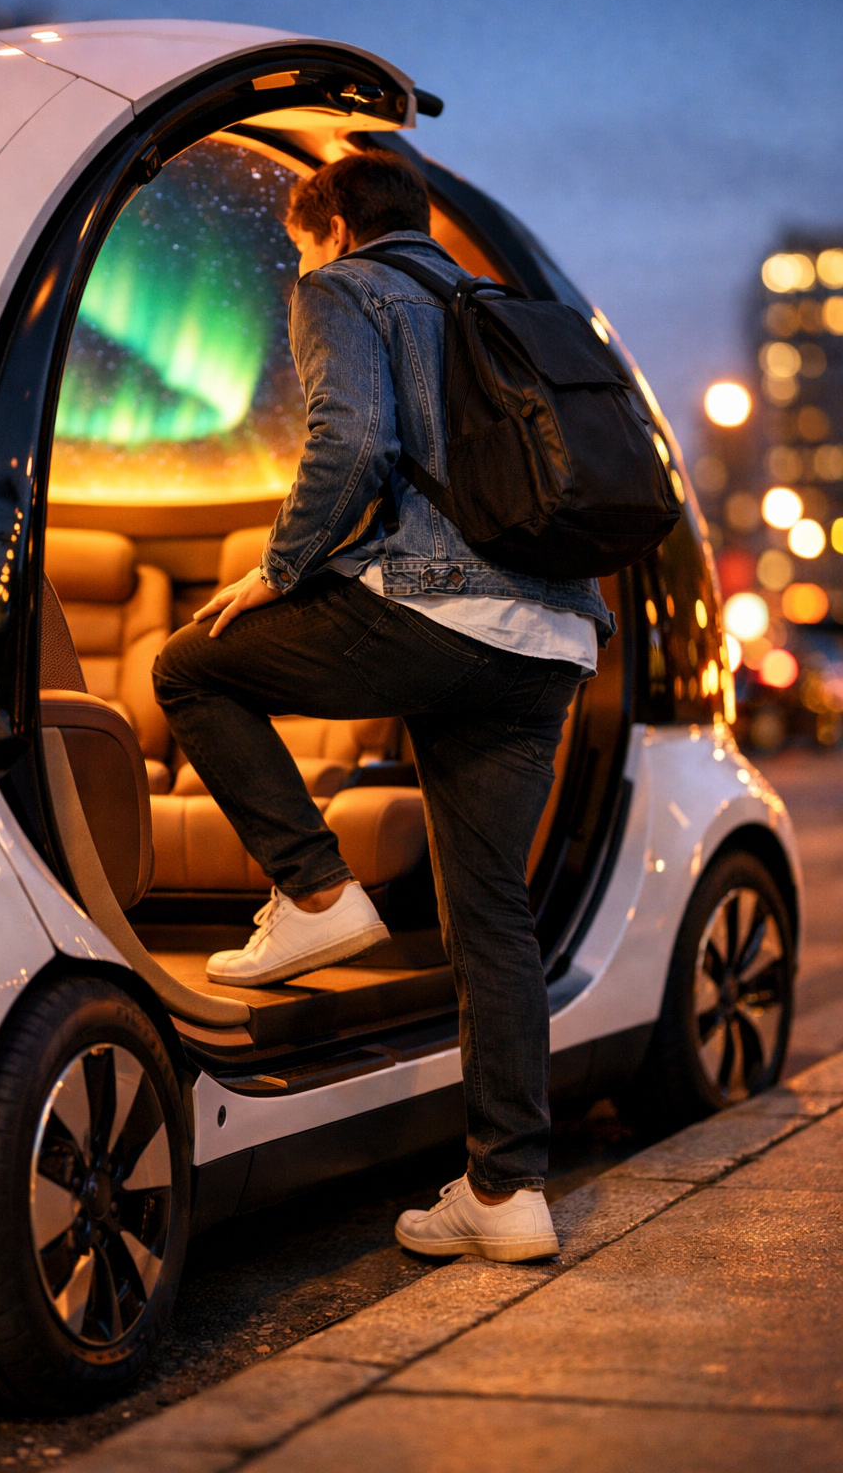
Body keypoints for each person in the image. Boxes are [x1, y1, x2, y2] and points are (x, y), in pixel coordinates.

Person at [154, 151, 615, 1262]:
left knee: (190, 666)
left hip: (437, 604)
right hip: (556, 635)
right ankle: (508, 1195)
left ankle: (314, 890)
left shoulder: (343, 290)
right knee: (492, 919)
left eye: (294, 246)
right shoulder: (498, 305)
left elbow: (352, 440)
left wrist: (278, 567)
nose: (291, 269)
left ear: (335, 226)